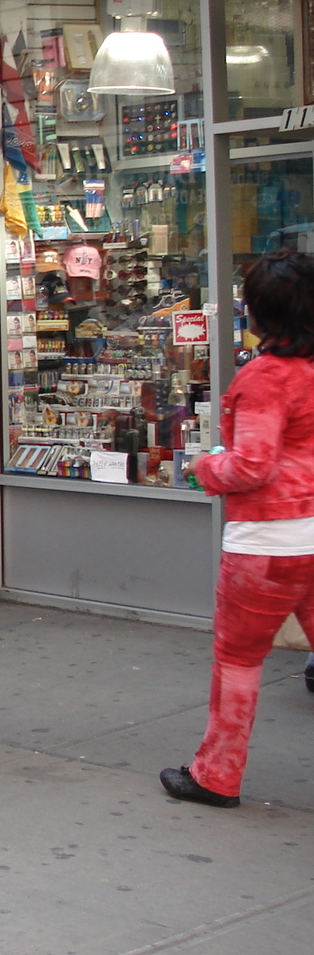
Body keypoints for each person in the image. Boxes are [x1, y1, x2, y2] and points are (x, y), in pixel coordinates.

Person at [161, 248, 314, 808]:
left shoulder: (264, 379)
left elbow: (252, 464)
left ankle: (216, 774)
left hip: (266, 544)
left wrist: (204, 467)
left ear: (257, 313)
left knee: (239, 659)